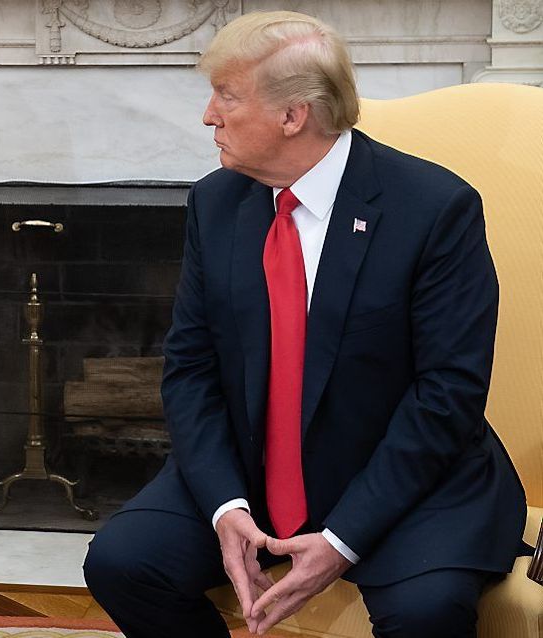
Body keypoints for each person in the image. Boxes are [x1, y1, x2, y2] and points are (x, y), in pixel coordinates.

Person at [83, 11, 527, 638]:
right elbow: (190, 369)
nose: (208, 115)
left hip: (400, 483)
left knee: (426, 615)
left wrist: (344, 539)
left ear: (294, 116)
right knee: (123, 563)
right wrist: (224, 505)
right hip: (251, 472)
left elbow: (447, 395)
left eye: (227, 96)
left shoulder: (434, 209)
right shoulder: (216, 203)